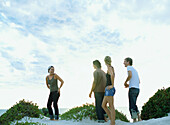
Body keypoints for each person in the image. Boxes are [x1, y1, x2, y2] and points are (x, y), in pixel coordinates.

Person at [123, 57, 141, 122]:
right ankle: (139, 118)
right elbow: (138, 81)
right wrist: (129, 85)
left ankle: (134, 120)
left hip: (133, 89)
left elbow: (130, 75)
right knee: (134, 103)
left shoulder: (129, 67)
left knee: (131, 104)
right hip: (137, 89)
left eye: (124, 61)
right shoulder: (135, 70)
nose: (123, 63)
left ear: (128, 62)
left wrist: (125, 82)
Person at [102, 56, 116, 125]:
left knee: (111, 106)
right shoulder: (109, 68)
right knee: (103, 105)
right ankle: (111, 118)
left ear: (105, 61)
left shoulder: (110, 68)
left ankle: (112, 122)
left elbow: (112, 75)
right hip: (107, 88)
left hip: (109, 88)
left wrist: (112, 85)